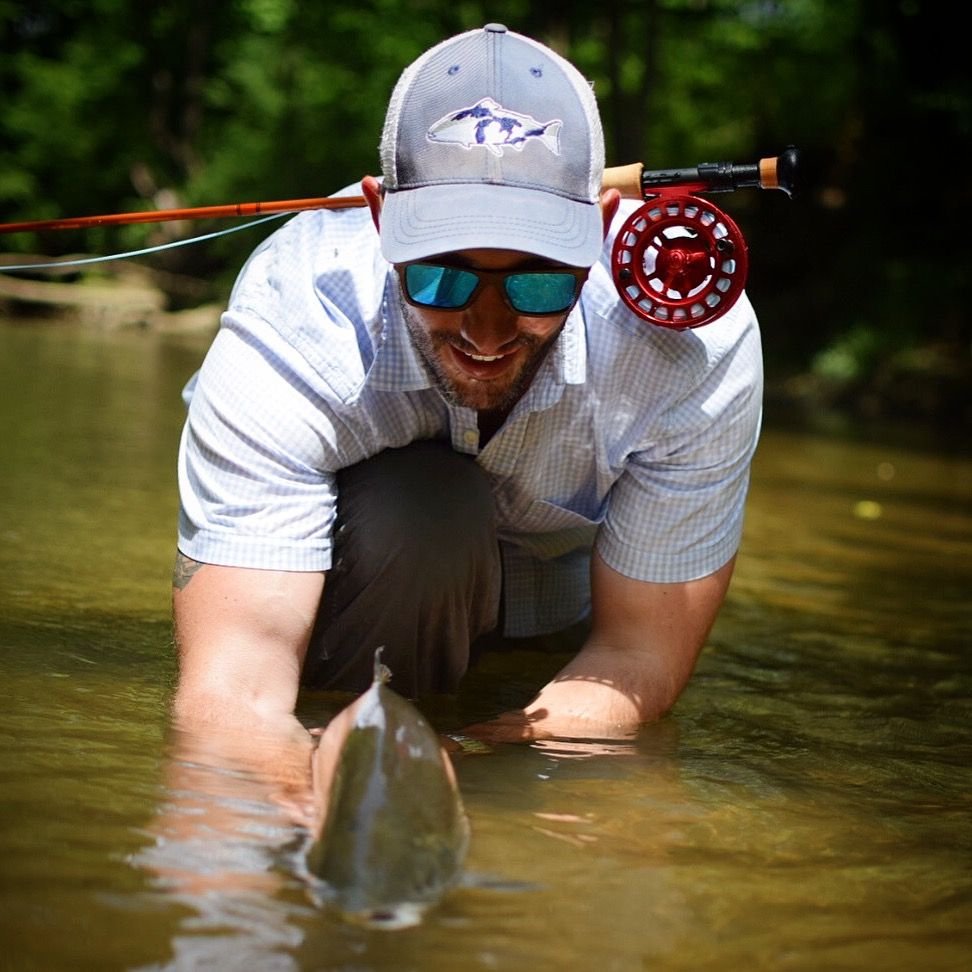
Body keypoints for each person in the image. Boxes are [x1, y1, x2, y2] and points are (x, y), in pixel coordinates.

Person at [171, 24, 762, 790]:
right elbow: (234, 694)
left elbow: (635, 655)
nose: (487, 329)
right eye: (444, 279)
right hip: (376, 584)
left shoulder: (693, 348)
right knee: (426, 509)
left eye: (538, 281)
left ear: (605, 230)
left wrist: (477, 758)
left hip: (567, 622)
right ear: (382, 218)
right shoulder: (297, 317)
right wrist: (328, 776)